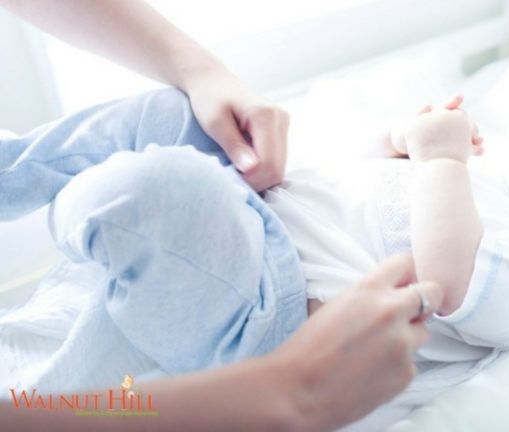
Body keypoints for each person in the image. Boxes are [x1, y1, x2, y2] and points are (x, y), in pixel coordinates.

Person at [0, 84, 509, 430]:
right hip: (261, 218)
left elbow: (442, 281)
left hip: (278, 317)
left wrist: (439, 163)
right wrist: (396, 143)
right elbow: (352, 193)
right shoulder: (489, 172)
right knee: (171, 114)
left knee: (158, 190)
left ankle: (92, 208)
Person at [0, 0, 442, 430]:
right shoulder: (477, 184)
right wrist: (407, 146)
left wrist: (202, 72)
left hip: (272, 310)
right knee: (166, 184)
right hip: (264, 242)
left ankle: (26, 178)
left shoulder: (502, 241)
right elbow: (349, 175)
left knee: (171, 127)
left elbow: (452, 291)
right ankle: (73, 199)